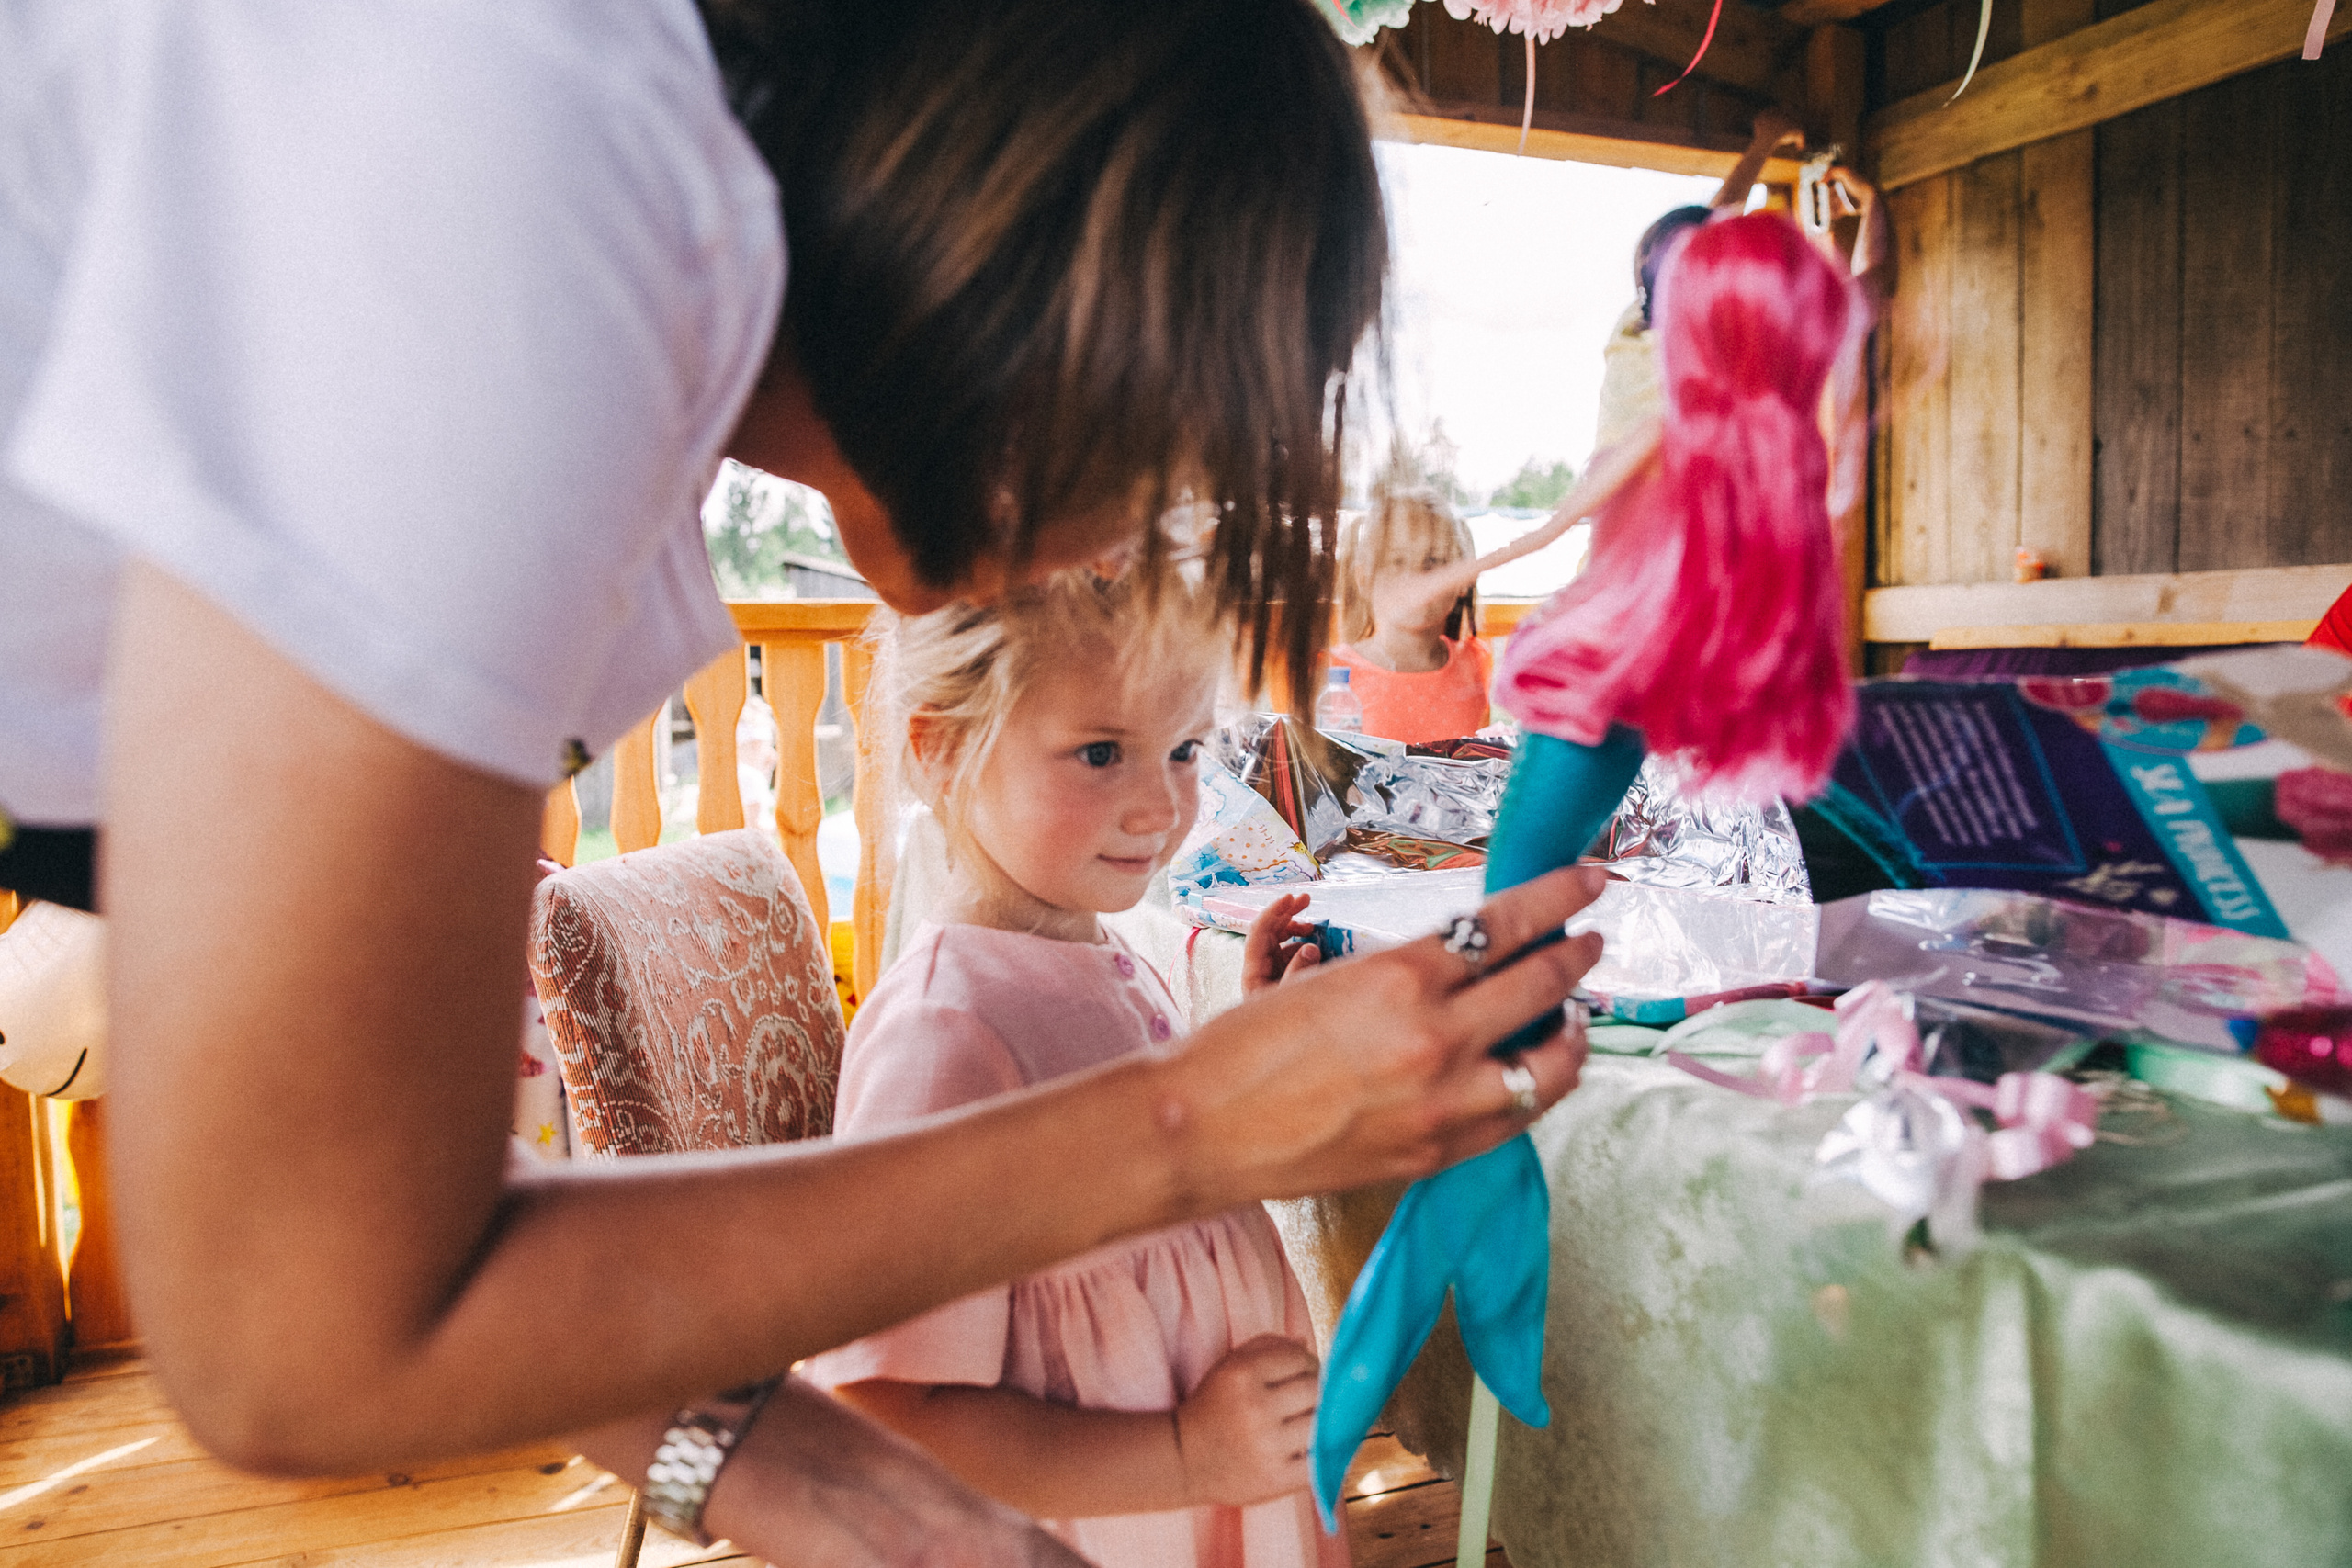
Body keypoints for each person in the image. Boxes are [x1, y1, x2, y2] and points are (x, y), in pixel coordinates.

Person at [0, 0, 1606, 1556]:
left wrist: (904, 1523)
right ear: (1065, 275)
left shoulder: (585, 232)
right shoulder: (522, 198)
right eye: (1181, 438)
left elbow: (442, 1230)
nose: (1130, 539)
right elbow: (302, 1329)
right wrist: (1192, 1126)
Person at [808, 572, 1340, 1566]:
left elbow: (1150, 1180)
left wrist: (1236, 1058)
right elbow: (891, 1418)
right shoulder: (946, 1036)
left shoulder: (1102, 952)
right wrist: (1187, 1455)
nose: (1159, 805)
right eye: (1101, 754)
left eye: (1184, 750)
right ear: (942, 748)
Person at [1329, 490, 1494, 744]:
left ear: (1464, 580)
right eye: (1397, 561)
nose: (1416, 578)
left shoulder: (1474, 662)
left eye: (1433, 561)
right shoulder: (1334, 674)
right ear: (1364, 580)